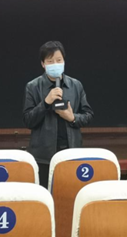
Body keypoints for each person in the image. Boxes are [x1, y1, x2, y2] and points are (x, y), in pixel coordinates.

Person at [23, 41, 94, 188]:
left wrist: (72, 118)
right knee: (45, 194)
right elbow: (28, 120)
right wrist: (45, 102)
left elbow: (88, 115)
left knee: (70, 193)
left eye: (59, 60)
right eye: (50, 61)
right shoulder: (33, 87)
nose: (55, 64)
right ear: (43, 64)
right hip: (44, 157)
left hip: (71, 153)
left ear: (64, 61)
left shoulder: (76, 85)